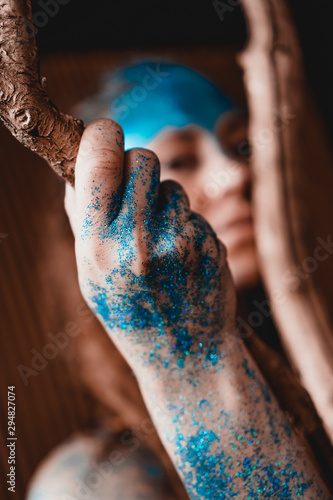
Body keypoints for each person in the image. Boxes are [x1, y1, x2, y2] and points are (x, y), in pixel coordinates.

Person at [27, 62, 332, 499]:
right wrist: (190, 359)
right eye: (181, 159)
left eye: (242, 145)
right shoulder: (94, 482)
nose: (238, 175)